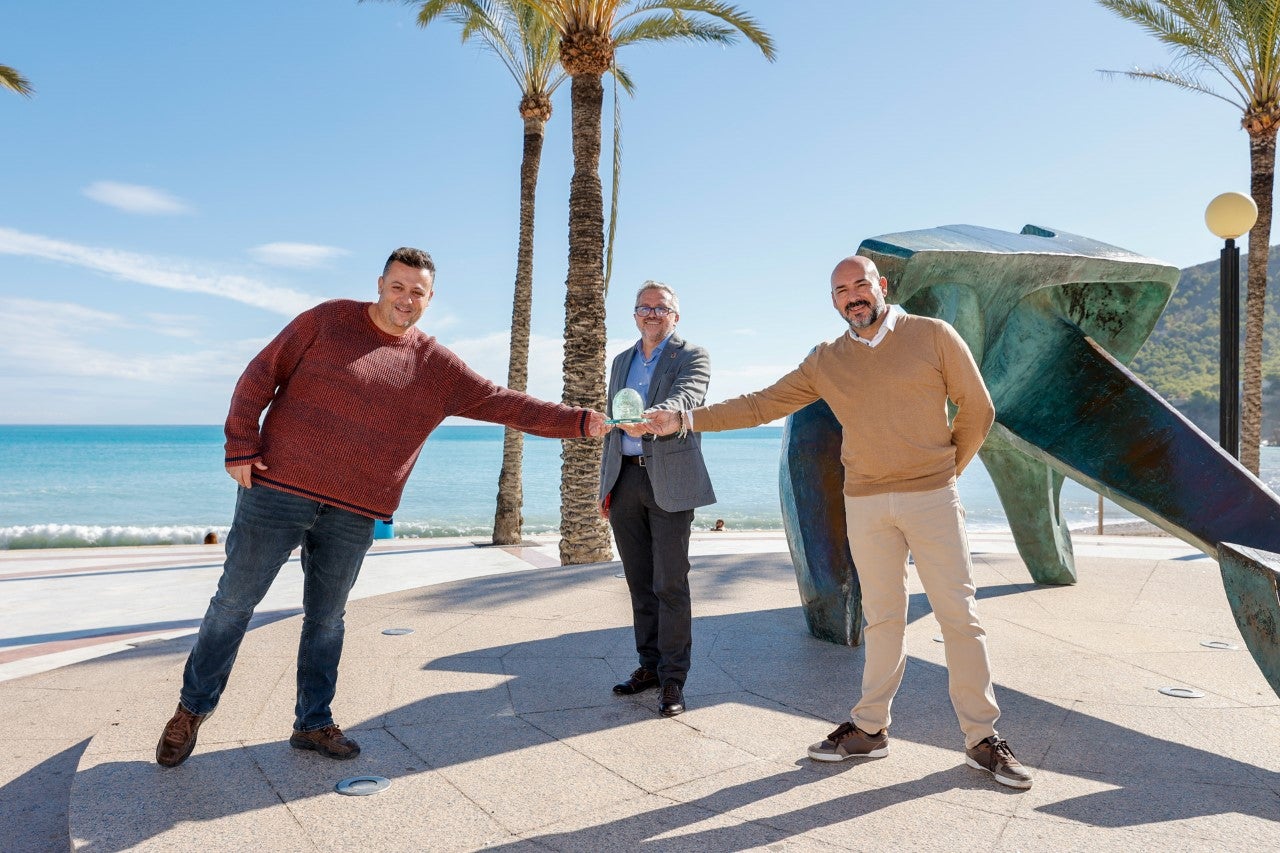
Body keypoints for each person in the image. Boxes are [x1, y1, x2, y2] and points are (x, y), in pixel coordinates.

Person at [156, 247, 607, 768]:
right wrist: (240, 444)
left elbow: (503, 401)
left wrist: (581, 421)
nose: (406, 299)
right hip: (276, 489)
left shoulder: (435, 366)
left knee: (327, 618)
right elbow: (260, 373)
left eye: (418, 292)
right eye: (398, 287)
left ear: (430, 299)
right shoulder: (327, 321)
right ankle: (191, 710)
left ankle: (313, 722)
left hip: (354, 510)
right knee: (235, 603)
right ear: (380, 284)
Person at [645, 255, 1032, 789]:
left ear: (881, 287)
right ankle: (870, 730)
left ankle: (981, 738)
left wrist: (944, 471)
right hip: (866, 504)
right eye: (841, 290)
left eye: (861, 285)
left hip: (932, 498)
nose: (853, 296)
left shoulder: (933, 335)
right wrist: (684, 419)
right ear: (834, 302)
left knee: (958, 617)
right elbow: (762, 404)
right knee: (881, 619)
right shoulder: (827, 359)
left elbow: (978, 408)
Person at [599, 281, 715, 717]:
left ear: (675, 316)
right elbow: (614, 425)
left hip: (669, 482)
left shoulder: (692, 356)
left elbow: (688, 398)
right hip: (625, 480)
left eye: (660, 308)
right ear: (634, 315)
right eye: (644, 308)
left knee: (670, 583)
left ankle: (673, 681)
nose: (651, 314)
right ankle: (648, 667)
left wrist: (652, 419)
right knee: (639, 583)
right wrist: (605, 486)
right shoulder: (620, 361)